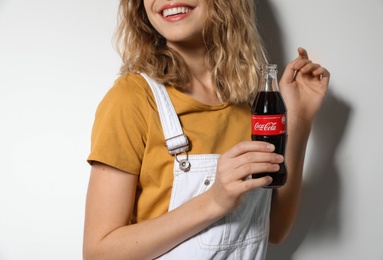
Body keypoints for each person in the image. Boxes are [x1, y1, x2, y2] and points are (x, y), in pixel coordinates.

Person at [83, 0, 330, 259]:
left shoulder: (252, 102)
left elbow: (275, 229)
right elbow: (98, 253)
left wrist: (299, 119)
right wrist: (214, 201)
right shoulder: (131, 99)